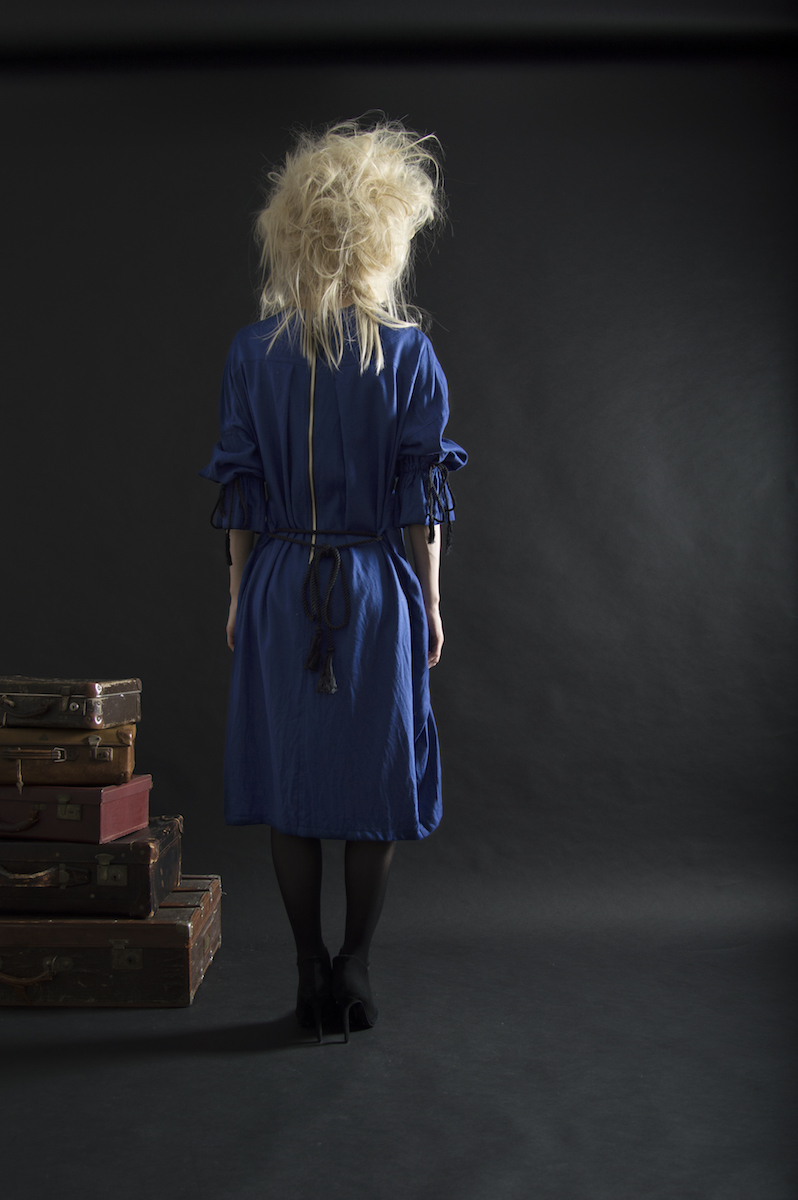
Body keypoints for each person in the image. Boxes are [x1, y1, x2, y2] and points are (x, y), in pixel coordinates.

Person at [200, 119, 467, 1042]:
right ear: (383, 237)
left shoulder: (252, 352)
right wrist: (431, 600)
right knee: (372, 776)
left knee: (296, 780)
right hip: (374, 587)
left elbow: (240, 490)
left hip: (282, 584)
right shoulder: (409, 355)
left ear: (294, 235)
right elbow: (421, 501)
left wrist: (238, 595)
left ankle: (311, 968)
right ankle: (354, 966)